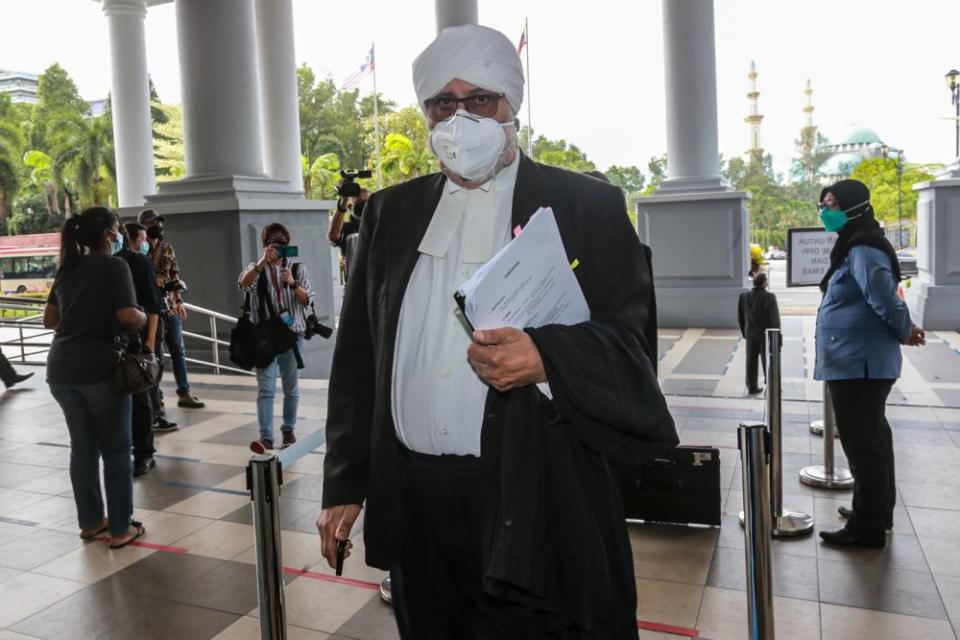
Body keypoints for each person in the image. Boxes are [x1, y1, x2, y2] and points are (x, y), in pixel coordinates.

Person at [317, 24, 677, 639]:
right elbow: (358, 359)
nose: (461, 118)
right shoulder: (390, 212)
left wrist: (548, 357)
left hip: (530, 496)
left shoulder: (584, 206)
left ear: (512, 106)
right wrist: (346, 481)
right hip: (417, 503)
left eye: (480, 100)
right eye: (443, 104)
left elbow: (631, 349)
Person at [814, 179, 925, 549]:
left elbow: (882, 296)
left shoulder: (862, 247)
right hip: (856, 359)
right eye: (824, 203)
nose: (825, 210)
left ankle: (868, 526)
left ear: (855, 206)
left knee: (864, 443)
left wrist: (906, 329)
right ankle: (874, 509)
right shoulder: (855, 243)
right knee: (873, 439)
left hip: (859, 363)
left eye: (832, 203)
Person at [43, 207, 147, 548]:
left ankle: (91, 522)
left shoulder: (66, 268)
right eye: (116, 228)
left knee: (83, 448)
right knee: (117, 448)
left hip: (60, 371)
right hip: (99, 369)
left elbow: (49, 320)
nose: (119, 234)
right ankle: (120, 528)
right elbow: (126, 315)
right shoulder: (114, 265)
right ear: (107, 235)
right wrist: (143, 318)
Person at [238, 223, 314, 453]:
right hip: (265, 339)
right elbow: (243, 283)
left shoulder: (298, 268)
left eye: (282, 242)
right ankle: (266, 438)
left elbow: (307, 300)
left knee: (291, 388)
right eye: (273, 242)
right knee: (266, 389)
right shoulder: (256, 269)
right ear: (265, 245)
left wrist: (291, 283)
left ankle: (288, 429)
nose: (278, 247)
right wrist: (262, 263)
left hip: (292, 336)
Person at [138, 209, 205, 410]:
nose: (157, 226)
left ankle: (183, 392)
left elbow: (175, 276)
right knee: (154, 351)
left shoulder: (167, 248)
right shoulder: (138, 250)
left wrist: (179, 302)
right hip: (148, 310)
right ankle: (154, 394)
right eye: (152, 223)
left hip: (168, 307)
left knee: (177, 349)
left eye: (159, 223)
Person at [118, 222, 166, 476]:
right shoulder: (101, 265)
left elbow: (153, 306)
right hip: (112, 344)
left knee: (140, 397)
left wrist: (149, 344)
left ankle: (144, 453)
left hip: (138, 342)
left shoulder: (137, 262)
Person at [738, 271, 781, 394]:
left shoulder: (744, 297)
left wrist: (745, 333)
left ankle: (752, 387)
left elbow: (740, 318)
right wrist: (777, 337)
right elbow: (775, 319)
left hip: (750, 334)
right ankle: (770, 386)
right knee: (767, 360)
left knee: (751, 361)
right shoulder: (770, 297)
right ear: (764, 283)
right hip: (765, 334)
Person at [327, 186, 370, 283]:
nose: (365, 206)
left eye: (368, 202)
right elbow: (333, 235)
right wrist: (343, 202)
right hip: (357, 287)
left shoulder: (380, 226)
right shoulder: (348, 229)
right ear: (350, 207)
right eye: (360, 203)